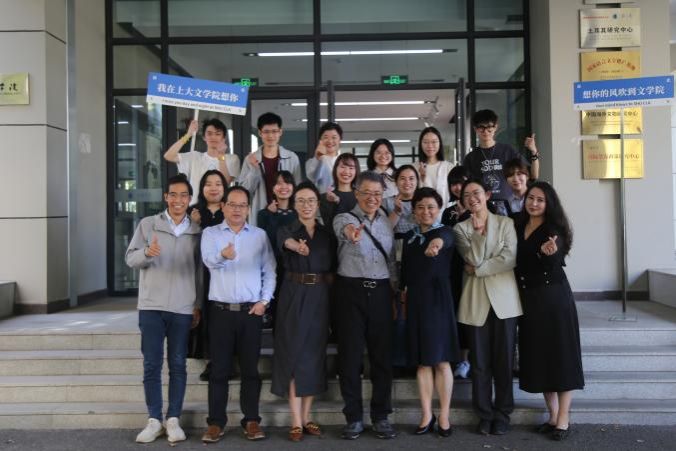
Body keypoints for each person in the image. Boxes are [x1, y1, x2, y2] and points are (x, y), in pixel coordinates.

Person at [125, 173, 202, 444]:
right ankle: (154, 419)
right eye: (173, 195)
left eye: (184, 195)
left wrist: (197, 305)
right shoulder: (148, 225)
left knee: (178, 364)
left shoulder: (196, 231)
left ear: (189, 199)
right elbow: (130, 258)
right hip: (151, 306)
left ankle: (173, 419)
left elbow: (199, 272)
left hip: (182, 307)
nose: (178, 200)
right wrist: (147, 253)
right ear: (165, 197)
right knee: (152, 364)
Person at [200, 186, 277, 444]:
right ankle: (215, 423)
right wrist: (223, 255)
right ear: (223, 206)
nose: (237, 209)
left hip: (250, 312)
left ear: (248, 209)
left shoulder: (259, 236)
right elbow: (208, 261)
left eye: (242, 205)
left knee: (250, 370)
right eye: (232, 204)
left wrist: (264, 301)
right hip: (221, 312)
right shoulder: (211, 233)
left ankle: (251, 420)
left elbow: (270, 270)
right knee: (219, 370)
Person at [514, 181, 584, 442]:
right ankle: (553, 416)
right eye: (531, 198)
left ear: (549, 204)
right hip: (529, 300)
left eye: (540, 200)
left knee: (560, 357)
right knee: (541, 357)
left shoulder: (554, 229)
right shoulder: (518, 223)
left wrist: (548, 254)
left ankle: (564, 418)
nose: (534, 203)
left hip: (554, 300)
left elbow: (555, 259)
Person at [453, 179, 523, 436]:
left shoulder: (506, 223)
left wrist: (479, 269)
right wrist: (478, 235)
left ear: (487, 195)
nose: (472, 198)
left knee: (504, 362)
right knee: (480, 363)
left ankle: (503, 414)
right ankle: (484, 414)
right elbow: (471, 258)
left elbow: (509, 259)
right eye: (467, 195)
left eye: (477, 193)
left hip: (505, 302)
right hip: (476, 302)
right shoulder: (460, 229)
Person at [333, 171, 398, 440]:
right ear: (356, 193)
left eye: (377, 194)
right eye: (367, 193)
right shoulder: (344, 218)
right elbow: (345, 231)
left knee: (382, 357)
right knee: (350, 357)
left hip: (381, 292)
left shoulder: (386, 222)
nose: (372, 198)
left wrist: (395, 293)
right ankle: (354, 417)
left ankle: (381, 416)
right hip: (350, 292)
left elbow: (391, 261)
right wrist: (352, 234)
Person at [271, 181, 336, 442]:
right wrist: (296, 246)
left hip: (320, 295)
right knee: (293, 353)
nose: (306, 205)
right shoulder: (286, 228)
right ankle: (295, 421)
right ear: (294, 204)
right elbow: (285, 242)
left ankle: (307, 417)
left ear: (318, 204)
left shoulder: (326, 234)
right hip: (293, 293)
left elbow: (333, 267)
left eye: (311, 201)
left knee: (314, 355)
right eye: (301, 201)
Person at [401, 187, 460, 438]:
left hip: (438, 300)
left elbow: (442, 241)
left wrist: (435, 245)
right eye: (421, 207)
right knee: (422, 362)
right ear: (414, 211)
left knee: (441, 360)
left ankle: (444, 415)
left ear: (439, 209)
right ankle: (426, 414)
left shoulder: (445, 231)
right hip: (415, 300)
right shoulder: (409, 237)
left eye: (431, 207)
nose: (426, 211)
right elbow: (405, 272)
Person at [186, 170, 227, 382]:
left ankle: (225, 361)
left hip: (225, 271)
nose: (213, 188)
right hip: (200, 272)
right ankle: (210, 361)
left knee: (223, 317)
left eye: (218, 184)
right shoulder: (193, 211)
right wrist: (193, 224)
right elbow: (186, 243)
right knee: (205, 315)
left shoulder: (230, 210)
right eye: (208, 184)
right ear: (202, 188)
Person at [462, 109, 539, 216]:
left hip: (509, 207)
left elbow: (533, 175)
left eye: (489, 127)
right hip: (483, 208)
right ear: (475, 129)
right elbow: (467, 186)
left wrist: (534, 151)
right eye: (481, 127)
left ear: (496, 127)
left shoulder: (508, 151)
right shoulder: (470, 158)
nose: (485, 131)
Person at [382, 164, 419, 370]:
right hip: (394, 257)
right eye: (403, 178)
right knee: (396, 309)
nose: (407, 182)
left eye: (412, 178)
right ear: (396, 182)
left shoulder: (422, 201)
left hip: (417, 256)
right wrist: (396, 212)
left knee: (415, 309)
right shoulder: (387, 202)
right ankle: (397, 361)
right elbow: (382, 231)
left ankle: (415, 359)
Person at [237, 112, 302, 225]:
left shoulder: (292, 158)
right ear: (260, 133)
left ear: (280, 132)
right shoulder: (250, 159)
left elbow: (297, 189)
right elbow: (244, 192)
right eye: (266, 132)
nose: (270, 136)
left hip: (287, 214)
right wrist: (254, 170)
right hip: (260, 214)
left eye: (274, 131)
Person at [440, 165, 471, 379]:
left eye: (462, 182)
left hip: (474, 268)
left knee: (471, 313)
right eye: (454, 184)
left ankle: (470, 359)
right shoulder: (448, 212)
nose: (458, 187)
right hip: (453, 269)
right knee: (456, 313)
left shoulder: (481, 208)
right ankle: (460, 358)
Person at [163, 118, 240, 204]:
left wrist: (221, 156)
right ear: (204, 137)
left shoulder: (232, 159)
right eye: (209, 134)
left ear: (223, 138)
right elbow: (169, 156)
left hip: (219, 208)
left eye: (218, 134)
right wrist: (188, 135)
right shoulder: (195, 156)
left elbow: (225, 182)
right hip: (195, 208)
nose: (213, 137)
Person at [256, 170, 298, 329]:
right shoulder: (263, 214)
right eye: (278, 183)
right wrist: (272, 215)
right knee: (273, 308)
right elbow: (268, 240)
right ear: (273, 188)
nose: (283, 187)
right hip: (271, 267)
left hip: (293, 267)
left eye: (287, 182)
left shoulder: (298, 213)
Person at [319, 152, 360, 233]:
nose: (346, 171)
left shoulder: (361, 196)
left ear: (356, 171)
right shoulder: (325, 197)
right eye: (342, 167)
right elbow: (328, 226)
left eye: (351, 168)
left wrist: (338, 202)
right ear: (335, 169)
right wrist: (334, 203)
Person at [415, 127, 456, 207]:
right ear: (421, 144)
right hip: (422, 212)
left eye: (434, 142)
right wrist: (421, 178)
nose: (430, 146)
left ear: (439, 143)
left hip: (445, 212)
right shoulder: (414, 167)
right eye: (425, 142)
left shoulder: (449, 167)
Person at [305, 122, 343, 193]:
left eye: (334, 137)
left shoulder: (345, 160)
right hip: (323, 198)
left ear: (340, 140)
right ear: (320, 140)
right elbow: (313, 177)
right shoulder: (313, 162)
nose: (330, 141)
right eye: (326, 137)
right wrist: (318, 158)